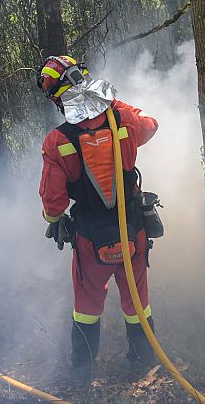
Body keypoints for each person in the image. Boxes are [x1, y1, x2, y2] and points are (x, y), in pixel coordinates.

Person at [37, 55, 159, 375]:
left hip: (92, 238)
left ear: (58, 99)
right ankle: (144, 362)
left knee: (88, 306)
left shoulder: (57, 141)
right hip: (134, 229)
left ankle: (81, 373)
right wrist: (112, 105)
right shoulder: (124, 120)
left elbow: (53, 200)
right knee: (137, 301)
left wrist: (54, 222)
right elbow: (150, 124)